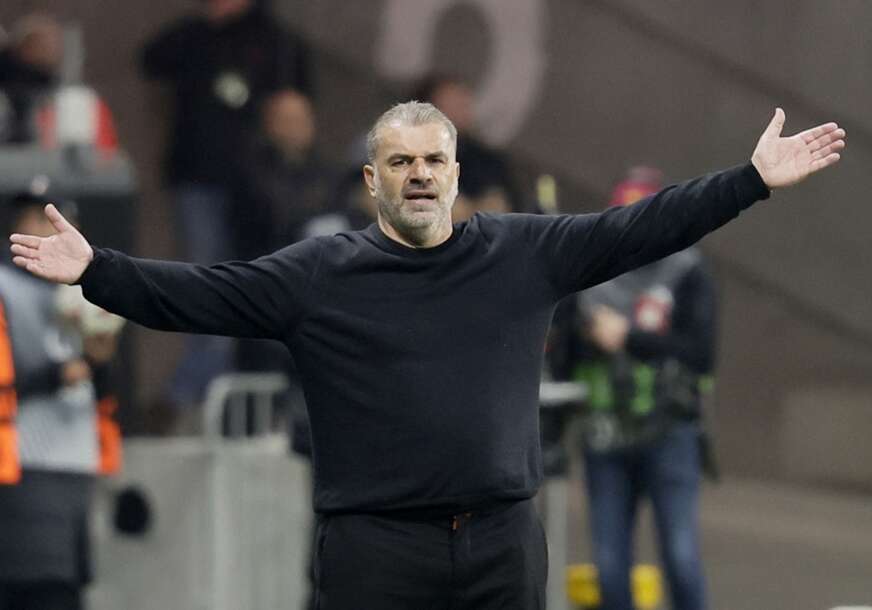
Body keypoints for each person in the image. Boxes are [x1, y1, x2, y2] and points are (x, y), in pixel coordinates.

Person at [9, 102, 844, 609]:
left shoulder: (525, 252)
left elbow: (643, 227)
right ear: (372, 182)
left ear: (454, 174)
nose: (418, 174)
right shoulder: (318, 274)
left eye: (433, 160)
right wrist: (96, 271)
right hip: (375, 552)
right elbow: (199, 293)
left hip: (502, 545)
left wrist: (750, 180)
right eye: (400, 161)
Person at [140, 0, 313, 412]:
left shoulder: (277, 40)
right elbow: (150, 59)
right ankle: (201, 389)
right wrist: (207, 24)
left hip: (260, 186)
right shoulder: (198, 35)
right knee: (206, 279)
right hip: (201, 178)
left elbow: (299, 96)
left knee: (259, 278)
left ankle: (240, 394)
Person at [569, 166, 716, 610]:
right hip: (605, 433)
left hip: (669, 429)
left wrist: (629, 338)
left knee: (681, 555)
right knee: (610, 563)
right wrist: (586, 333)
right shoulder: (589, 273)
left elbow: (700, 353)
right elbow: (562, 350)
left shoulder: (687, 270)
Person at [0, 193, 121, 610]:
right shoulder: (5, 286)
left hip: (76, 462)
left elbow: (99, 386)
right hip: (22, 464)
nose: (49, 230)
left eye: (62, 220)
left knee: (66, 588)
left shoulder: (84, 288)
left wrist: (97, 362)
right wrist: (57, 374)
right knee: (38, 587)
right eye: (37, 219)